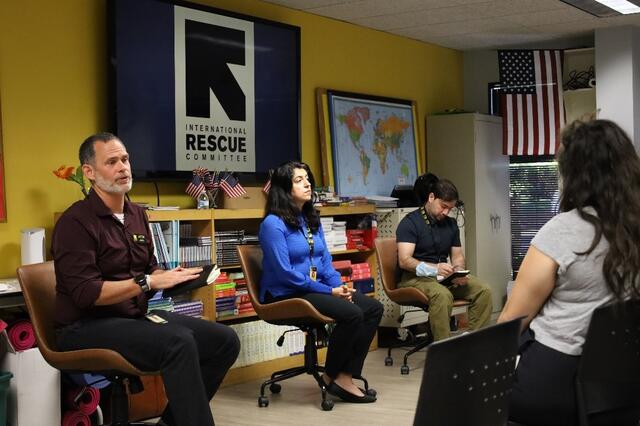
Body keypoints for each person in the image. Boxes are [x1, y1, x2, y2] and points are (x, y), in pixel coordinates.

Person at [52, 132, 240, 426]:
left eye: (125, 159)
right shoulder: (75, 223)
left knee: (224, 341)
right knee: (178, 341)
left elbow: (149, 268)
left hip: (131, 318)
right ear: (89, 172)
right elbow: (86, 294)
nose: (123, 167)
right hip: (84, 327)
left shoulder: (138, 214)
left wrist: (173, 277)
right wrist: (148, 283)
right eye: (111, 162)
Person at [498, 119, 640, 426]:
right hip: (621, 386)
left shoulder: (562, 231)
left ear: (575, 174)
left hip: (554, 385)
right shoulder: (634, 230)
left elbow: (512, 322)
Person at [259, 161, 383, 403]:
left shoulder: (309, 219)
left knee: (372, 308)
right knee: (351, 314)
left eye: (307, 178)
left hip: (312, 288)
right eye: (299, 180)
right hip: (286, 293)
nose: (307, 183)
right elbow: (286, 274)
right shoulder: (272, 224)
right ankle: (334, 377)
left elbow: (324, 261)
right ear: (284, 188)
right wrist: (330, 290)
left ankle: (344, 374)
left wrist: (341, 286)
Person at [396, 174, 492, 341]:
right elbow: (404, 261)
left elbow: (457, 256)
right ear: (431, 197)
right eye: (443, 206)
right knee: (442, 295)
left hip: (444, 277)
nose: (446, 212)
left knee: (484, 290)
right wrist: (434, 269)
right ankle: (443, 352)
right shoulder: (410, 222)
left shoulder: (451, 224)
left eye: (450, 208)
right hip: (414, 278)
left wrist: (459, 272)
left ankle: (476, 345)